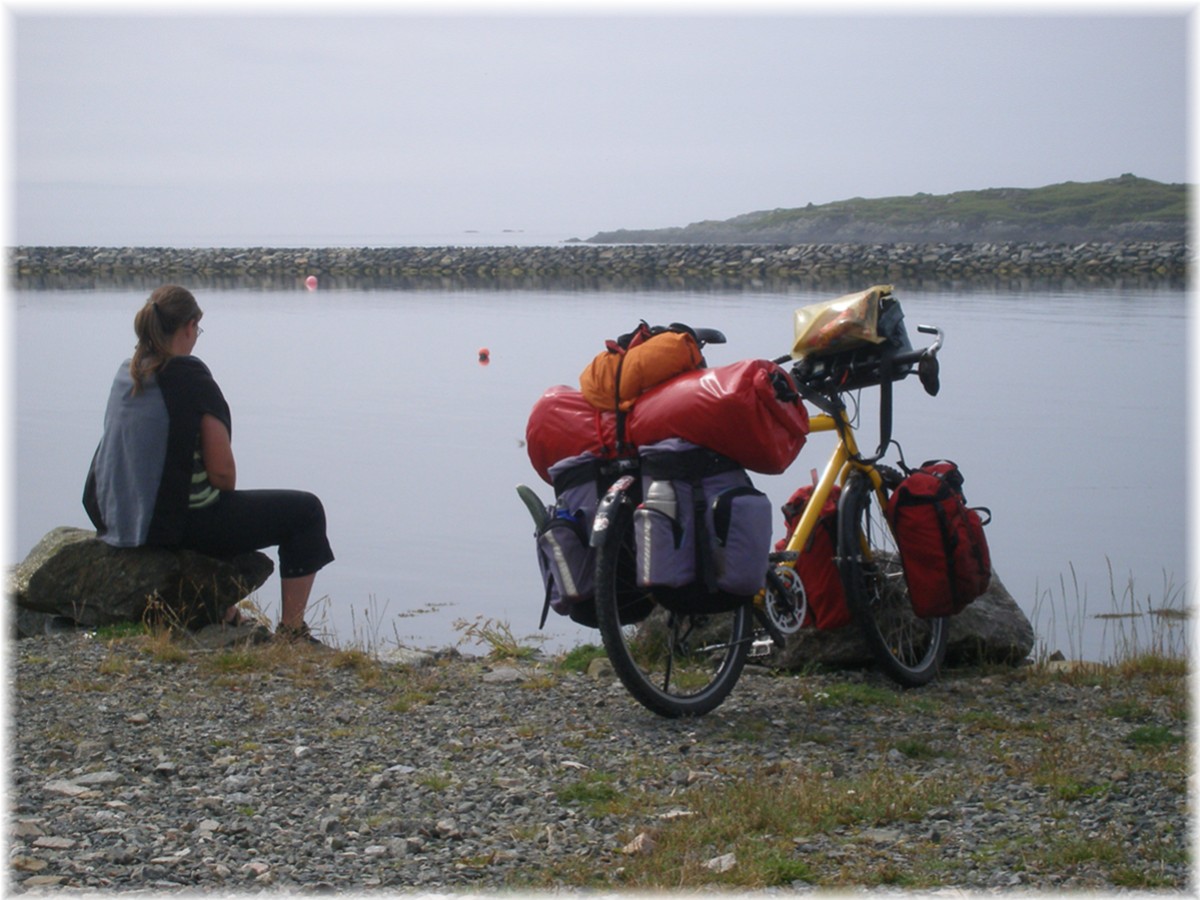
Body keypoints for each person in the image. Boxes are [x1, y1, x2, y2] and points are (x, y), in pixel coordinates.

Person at [83, 284, 334, 643]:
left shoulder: (127, 373)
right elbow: (223, 477)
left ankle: (219, 605)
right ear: (188, 326)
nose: (197, 337)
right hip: (177, 526)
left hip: (119, 518)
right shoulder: (190, 378)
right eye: (197, 329)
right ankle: (293, 631)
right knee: (306, 512)